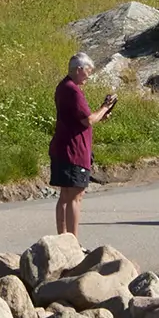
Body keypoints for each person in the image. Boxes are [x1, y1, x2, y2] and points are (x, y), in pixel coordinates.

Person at [47, 52, 103, 241]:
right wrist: (105, 108)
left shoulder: (63, 86)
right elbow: (88, 120)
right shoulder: (73, 90)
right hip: (74, 150)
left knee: (65, 195)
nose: (89, 75)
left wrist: (100, 114)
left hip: (62, 147)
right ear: (79, 69)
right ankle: (73, 241)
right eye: (88, 71)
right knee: (76, 196)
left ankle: (62, 238)